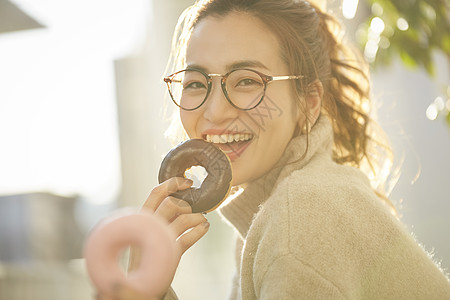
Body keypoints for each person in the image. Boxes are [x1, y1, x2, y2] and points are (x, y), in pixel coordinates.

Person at [98, 0, 450, 299]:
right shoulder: (281, 214)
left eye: (247, 80)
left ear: (309, 102)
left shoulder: (302, 217)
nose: (215, 111)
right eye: (195, 83)